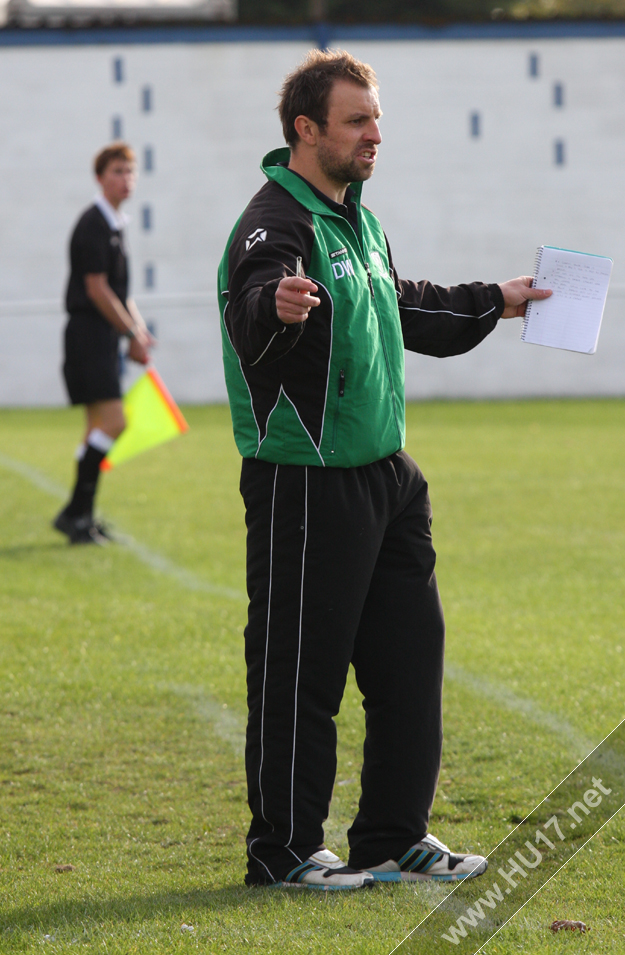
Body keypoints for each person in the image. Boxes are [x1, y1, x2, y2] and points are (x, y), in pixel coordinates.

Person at [217, 50, 551, 890]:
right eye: (357, 120)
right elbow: (253, 306)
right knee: (302, 671)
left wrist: (497, 300)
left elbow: (398, 301)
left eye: (375, 117)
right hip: (307, 479)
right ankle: (284, 850)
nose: (375, 134)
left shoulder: (355, 219)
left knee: (410, 660)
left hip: (388, 477)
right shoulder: (273, 225)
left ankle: (391, 836)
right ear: (306, 130)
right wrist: (278, 306)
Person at [53, 143, 153, 545]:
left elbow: (120, 293)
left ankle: (81, 518)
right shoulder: (93, 224)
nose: (125, 179)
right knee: (115, 422)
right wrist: (129, 334)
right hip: (89, 335)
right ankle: (76, 514)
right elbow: (97, 289)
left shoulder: (115, 224)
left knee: (95, 428)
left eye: (130, 172)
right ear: (99, 177)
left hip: (103, 335)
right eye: (116, 171)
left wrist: (138, 329)